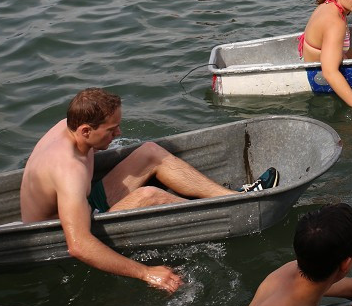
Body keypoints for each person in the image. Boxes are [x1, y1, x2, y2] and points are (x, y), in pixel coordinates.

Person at [19, 88, 279, 293]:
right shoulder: (68, 169)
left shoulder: (70, 125)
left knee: (149, 152)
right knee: (150, 196)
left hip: (85, 203)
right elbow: (78, 246)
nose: (118, 133)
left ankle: (236, 199)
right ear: (86, 130)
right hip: (61, 230)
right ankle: (219, 216)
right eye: (111, 130)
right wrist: (146, 272)